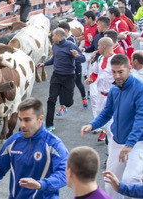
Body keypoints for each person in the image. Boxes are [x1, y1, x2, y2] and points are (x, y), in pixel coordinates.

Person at [0, 98, 68, 199]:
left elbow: (64, 174)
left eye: (27, 120)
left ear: (40, 118)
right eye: (20, 119)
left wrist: (41, 184)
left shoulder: (54, 145)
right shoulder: (13, 142)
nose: (22, 125)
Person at [81, 54, 143, 199]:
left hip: (136, 144)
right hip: (116, 143)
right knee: (110, 185)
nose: (117, 76)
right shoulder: (114, 90)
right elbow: (106, 113)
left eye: (120, 72)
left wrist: (129, 144)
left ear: (129, 68)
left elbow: (141, 119)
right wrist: (92, 125)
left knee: (130, 180)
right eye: (114, 72)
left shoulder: (140, 89)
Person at [37, 28, 85, 132]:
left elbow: (83, 59)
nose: (52, 38)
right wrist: (44, 63)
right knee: (51, 100)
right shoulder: (54, 46)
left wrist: (77, 56)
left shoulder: (70, 45)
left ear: (59, 36)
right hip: (56, 76)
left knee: (67, 102)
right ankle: (49, 125)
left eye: (53, 36)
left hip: (69, 76)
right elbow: (54, 59)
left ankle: (65, 105)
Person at [85, 37, 116, 142]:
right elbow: (95, 73)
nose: (97, 48)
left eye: (98, 45)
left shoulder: (116, 60)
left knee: (110, 122)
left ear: (103, 46)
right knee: (100, 119)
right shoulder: (100, 58)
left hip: (112, 96)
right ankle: (108, 136)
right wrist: (90, 79)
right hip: (100, 96)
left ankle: (112, 142)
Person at [58, 22, 88, 112]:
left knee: (78, 83)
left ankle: (84, 97)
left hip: (75, 65)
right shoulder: (67, 40)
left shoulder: (71, 40)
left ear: (66, 31)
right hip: (66, 67)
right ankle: (63, 106)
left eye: (61, 31)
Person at [77, 11, 97, 81]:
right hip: (85, 50)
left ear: (90, 18)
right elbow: (84, 36)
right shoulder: (86, 26)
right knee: (81, 71)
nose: (84, 20)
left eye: (85, 18)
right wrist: (75, 38)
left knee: (91, 73)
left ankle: (91, 91)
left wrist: (92, 41)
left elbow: (98, 40)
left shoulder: (98, 27)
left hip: (93, 52)